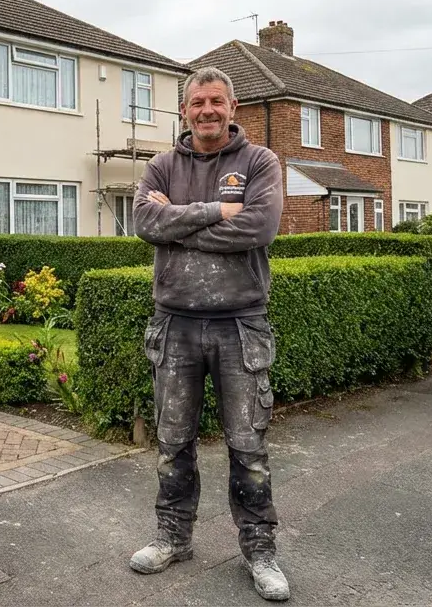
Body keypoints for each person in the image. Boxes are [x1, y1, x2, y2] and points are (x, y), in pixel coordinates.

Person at [128, 66, 288, 601]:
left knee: (249, 446)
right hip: (174, 325)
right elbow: (145, 225)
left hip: (241, 324)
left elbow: (260, 227)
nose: (207, 111)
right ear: (184, 110)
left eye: (216, 101)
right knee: (173, 441)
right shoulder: (161, 165)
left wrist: (179, 223)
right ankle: (173, 538)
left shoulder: (259, 162)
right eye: (197, 103)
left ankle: (260, 551)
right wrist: (216, 211)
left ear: (232, 107)